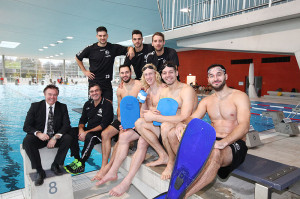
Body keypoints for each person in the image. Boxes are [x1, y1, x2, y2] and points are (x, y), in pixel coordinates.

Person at [169, 64, 250, 198]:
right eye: (211, 76)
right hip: (213, 141)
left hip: (233, 143)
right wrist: (181, 124)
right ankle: (187, 169)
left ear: (226, 76)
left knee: (216, 151)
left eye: (219, 74)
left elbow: (245, 126)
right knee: (172, 133)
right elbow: (193, 118)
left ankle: (183, 195)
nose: (215, 78)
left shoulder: (239, 96)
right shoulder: (207, 101)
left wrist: (224, 142)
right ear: (208, 80)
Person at [95, 64, 164, 197]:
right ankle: (112, 172)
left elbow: (165, 111)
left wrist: (146, 116)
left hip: (157, 125)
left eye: (151, 74)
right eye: (146, 75)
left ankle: (127, 181)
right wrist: (129, 123)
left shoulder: (163, 89)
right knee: (123, 137)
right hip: (144, 122)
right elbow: (142, 111)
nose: (148, 77)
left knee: (143, 142)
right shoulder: (145, 91)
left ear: (156, 74)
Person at [140, 61, 198, 180]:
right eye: (165, 73)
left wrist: (156, 117)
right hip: (169, 124)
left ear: (176, 72)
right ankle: (163, 155)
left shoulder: (186, 90)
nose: (168, 75)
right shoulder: (165, 91)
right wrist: (153, 110)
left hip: (186, 126)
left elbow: (185, 117)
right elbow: (163, 111)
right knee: (139, 123)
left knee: (165, 126)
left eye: (171, 72)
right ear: (161, 75)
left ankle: (171, 162)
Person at [91, 64, 142, 180]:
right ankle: (103, 166)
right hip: (123, 119)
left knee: (121, 137)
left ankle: (109, 167)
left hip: (136, 121)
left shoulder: (139, 85)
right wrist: (120, 118)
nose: (125, 75)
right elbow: (119, 107)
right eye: (122, 73)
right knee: (105, 134)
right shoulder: (119, 89)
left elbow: (143, 104)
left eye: (127, 72)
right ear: (119, 74)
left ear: (131, 72)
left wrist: (130, 124)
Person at [22, 84, 72, 186]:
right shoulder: (35, 106)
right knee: (27, 141)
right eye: (50, 94)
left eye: (55, 95)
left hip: (54, 138)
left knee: (68, 138)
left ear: (57, 96)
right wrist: (39, 133)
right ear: (44, 95)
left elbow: (66, 125)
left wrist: (55, 137)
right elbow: (26, 126)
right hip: (40, 138)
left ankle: (56, 164)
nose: (52, 97)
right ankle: (40, 171)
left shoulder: (62, 107)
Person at [64, 83, 113, 174]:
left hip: (101, 133)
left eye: (96, 90)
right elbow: (82, 120)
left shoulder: (107, 105)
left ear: (101, 92)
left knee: (90, 136)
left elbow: (104, 125)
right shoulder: (88, 104)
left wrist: (86, 132)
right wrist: (81, 130)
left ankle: (81, 164)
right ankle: (77, 159)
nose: (94, 93)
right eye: (92, 91)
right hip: (88, 130)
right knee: (70, 132)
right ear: (89, 93)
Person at [76, 26, 135, 101]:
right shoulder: (90, 49)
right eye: (100, 36)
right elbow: (77, 57)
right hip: (94, 83)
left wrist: (131, 49)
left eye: (104, 35)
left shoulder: (113, 48)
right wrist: (84, 71)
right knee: (94, 107)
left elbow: (128, 48)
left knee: (109, 107)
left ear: (107, 36)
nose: (102, 38)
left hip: (107, 84)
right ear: (97, 36)